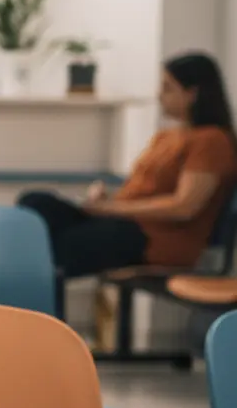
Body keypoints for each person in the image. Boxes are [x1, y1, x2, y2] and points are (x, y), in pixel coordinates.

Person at [18, 52, 237, 277]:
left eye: (168, 87)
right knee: (35, 204)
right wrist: (107, 199)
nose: (159, 95)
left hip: (154, 238)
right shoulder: (165, 137)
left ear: (193, 93)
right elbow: (143, 191)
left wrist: (112, 208)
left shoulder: (212, 141)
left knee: (56, 244)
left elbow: (184, 207)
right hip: (124, 221)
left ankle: (29, 291)